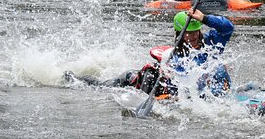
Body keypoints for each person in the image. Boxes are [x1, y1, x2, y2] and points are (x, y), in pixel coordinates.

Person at [64, 8, 234, 98]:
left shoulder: (211, 42)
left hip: (207, 91)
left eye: (196, 31)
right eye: (188, 33)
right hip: (135, 80)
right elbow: (182, 82)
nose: (193, 36)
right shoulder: (175, 56)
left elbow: (228, 27)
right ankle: (74, 79)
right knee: (103, 86)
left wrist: (204, 19)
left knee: (219, 69)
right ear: (179, 34)